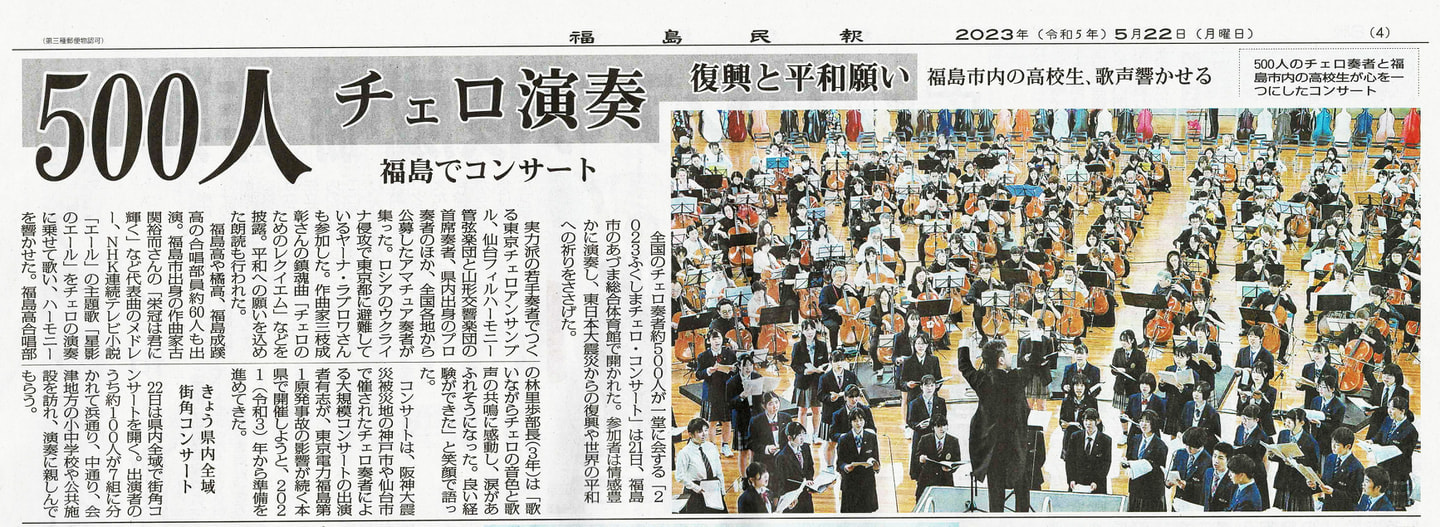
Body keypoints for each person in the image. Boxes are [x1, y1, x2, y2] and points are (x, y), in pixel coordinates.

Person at [956, 328, 1033, 512]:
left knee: (995, 494)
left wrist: (965, 339)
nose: (1011, 355)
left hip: (993, 447)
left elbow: (964, 366)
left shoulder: (983, 381)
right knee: (1022, 489)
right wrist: (1034, 333)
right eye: (1008, 352)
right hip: (1016, 446)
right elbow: (1034, 364)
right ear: (1001, 360)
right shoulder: (1016, 378)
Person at [695, 331, 736, 456]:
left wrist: (733, 369)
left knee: (727, 421)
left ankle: (725, 446)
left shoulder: (729, 353)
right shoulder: (703, 356)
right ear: (709, 341)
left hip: (726, 391)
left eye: (719, 338)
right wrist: (708, 371)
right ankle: (712, 447)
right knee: (711, 422)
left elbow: (736, 369)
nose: (717, 341)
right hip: (711, 392)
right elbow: (698, 374)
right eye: (714, 339)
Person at [675, 418, 728, 513]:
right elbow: (679, 476)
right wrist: (695, 487)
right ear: (690, 434)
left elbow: (719, 471)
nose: (704, 434)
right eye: (700, 432)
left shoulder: (712, 447)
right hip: (696, 490)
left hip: (713, 488)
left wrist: (722, 490)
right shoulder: (684, 453)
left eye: (706, 430)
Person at [1272, 408, 1321, 511]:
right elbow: (1279, 455)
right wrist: (1272, 454)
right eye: (1286, 421)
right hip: (1284, 480)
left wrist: (1296, 463)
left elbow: (1314, 465)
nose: (1286, 424)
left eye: (1290, 422)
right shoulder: (1283, 434)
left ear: (1301, 423)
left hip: (1299, 484)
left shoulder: (1310, 442)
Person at [1373, 395, 1417, 510]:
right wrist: (1371, 441)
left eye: (1392, 409)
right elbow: (1380, 435)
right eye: (1388, 407)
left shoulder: (1411, 431)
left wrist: (1386, 452)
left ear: (1402, 411)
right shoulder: (1388, 420)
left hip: (1397, 472)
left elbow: (1405, 455)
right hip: (1383, 466)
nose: (1389, 411)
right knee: (1382, 502)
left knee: (1396, 506)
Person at [789, 320, 829, 442]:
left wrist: (821, 368)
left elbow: (826, 362)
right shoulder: (797, 346)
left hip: (817, 381)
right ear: (802, 331)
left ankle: (816, 434)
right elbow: (794, 365)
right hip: (803, 382)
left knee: (817, 409)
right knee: (802, 410)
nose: (810, 332)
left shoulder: (822, 345)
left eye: (812, 329)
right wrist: (806, 371)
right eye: (807, 329)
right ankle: (803, 434)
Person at [817, 353, 858, 466]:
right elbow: (820, 395)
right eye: (836, 361)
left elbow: (855, 391)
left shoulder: (851, 375)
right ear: (831, 362)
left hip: (847, 415)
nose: (839, 364)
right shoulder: (824, 378)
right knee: (831, 443)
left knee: (849, 442)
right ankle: (829, 467)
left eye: (841, 360)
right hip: (830, 415)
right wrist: (830, 398)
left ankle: (848, 465)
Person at [835, 411, 881, 513]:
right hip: (850, 483)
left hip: (867, 483)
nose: (859, 423)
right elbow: (839, 463)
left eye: (861, 420)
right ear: (850, 422)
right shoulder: (843, 439)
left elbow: (876, 459)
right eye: (855, 420)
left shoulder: (872, 437)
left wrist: (876, 467)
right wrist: (845, 467)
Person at [1123, 410, 1168, 511]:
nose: (1143, 424)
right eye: (1142, 421)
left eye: (1147, 421)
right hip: (1135, 489)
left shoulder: (1161, 446)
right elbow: (1129, 458)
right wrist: (1126, 463)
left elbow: (1159, 471)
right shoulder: (1134, 439)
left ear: (1153, 424)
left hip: (1151, 493)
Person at [727, 355, 764, 471]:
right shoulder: (732, 382)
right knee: (743, 451)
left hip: (757, 415)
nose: (748, 368)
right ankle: (743, 477)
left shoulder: (757, 377)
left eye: (750, 365)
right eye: (745, 365)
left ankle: (755, 474)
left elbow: (762, 397)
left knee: (755, 449)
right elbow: (729, 404)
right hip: (742, 418)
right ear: (739, 366)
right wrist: (741, 396)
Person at [1314, 426, 1364, 511]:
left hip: (1343, 510)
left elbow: (1355, 497)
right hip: (1327, 507)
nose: (1332, 447)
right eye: (1332, 442)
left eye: (1337, 445)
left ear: (1348, 446)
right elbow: (1325, 480)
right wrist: (1315, 484)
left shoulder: (1357, 468)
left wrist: (1333, 492)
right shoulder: (1330, 458)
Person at [907, 375, 948, 478]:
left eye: (932, 385)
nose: (929, 388)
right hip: (920, 436)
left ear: (935, 386)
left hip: (935, 436)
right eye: (927, 386)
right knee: (920, 467)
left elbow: (944, 419)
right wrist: (918, 425)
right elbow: (910, 421)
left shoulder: (941, 402)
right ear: (921, 387)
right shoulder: (914, 403)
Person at [1062, 407, 1111, 493]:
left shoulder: (1106, 440)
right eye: (1086, 420)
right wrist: (1071, 479)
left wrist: (1096, 482)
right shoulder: (1075, 437)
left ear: (1097, 421)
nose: (1088, 423)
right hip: (1077, 483)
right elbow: (1069, 460)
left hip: (1096, 485)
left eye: (1091, 420)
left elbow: (1105, 464)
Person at [1232, 403, 1272, 509]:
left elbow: (1259, 457)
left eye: (1248, 419)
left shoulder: (1262, 436)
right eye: (1243, 418)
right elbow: (1235, 444)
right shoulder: (1240, 429)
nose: (1244, 421)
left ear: (1256, 420)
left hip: (1255, 472)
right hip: (1241, 467)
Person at [914, 415, 962, 499]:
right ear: (933, 428)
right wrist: (920, 459)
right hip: (927, 480)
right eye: (938, 426)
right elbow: (917, 457)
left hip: (945, 481)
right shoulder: (925, 439)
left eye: (944, 425)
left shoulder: (953, 441)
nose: (941, 429)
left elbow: (957, 460)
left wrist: (950, 469)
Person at [772, 422, 816, 513]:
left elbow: (810, 467)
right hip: (792, 497)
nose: (802, 437)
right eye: (799, 435)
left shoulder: (806, 447)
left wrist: (809, 480)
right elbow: (781, 481)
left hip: (806, 494)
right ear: (789, 438)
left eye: (803, 434)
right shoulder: (782, 457)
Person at [746, 393, 787, 475]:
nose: (775, 406)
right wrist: (766, 449)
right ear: (764, 406)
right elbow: (751, 443)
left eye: (776, 402)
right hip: (765, 459)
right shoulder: (756, 421)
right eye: (771, 404)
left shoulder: (786, 418)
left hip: (783, 457)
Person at [1171, 427, 1212, 508]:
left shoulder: (1208, 461)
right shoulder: (1180, 453)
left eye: (1192, 447)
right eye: (1186, 445)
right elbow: (1173, 471)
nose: (1188, 449)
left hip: (1194, 504)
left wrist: (1187, 485)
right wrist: (1169, 481)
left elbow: (1205, 488)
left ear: (1200, 445)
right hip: (1178, 501)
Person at [1307, 375, 1346, 456]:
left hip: (1327, 441)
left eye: (1324, 387)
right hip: (1313, 437)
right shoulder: (1315, 400)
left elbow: (1335, 427)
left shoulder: (1339, 407)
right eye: (1319, 387)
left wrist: (1320, 424)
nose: (1320, 390)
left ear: (1332, 389)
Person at [1110, 329, 1147, 409]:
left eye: (1126, 341)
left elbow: (1142, 371)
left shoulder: (1140, 354)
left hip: (1133, 388)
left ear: (1132, 340)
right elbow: (1113, 369)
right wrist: (1115, 370)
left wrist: (1125, 370)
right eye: (1122, 340)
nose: (1123, 343)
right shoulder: (1118, 352)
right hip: (1120, 387)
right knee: (1122, 412)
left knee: (1133, 410)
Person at [1121, 372, 1162, 438]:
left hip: (1152, 435)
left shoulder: (1159, 401)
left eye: (1147, 384)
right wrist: (1125, 416)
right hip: (1134, 434)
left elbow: (1161, 422)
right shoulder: (1133, 398)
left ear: (1152, 386)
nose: (1144, 386)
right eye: (1142, 383)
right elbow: (1129, 414)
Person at [1202, 442, 1237, 511]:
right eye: (1214, 456)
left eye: (1220, 458)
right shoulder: (1208, 472)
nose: (1216, 461)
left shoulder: (1233, 479)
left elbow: (1231, 507)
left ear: (1228, 460)